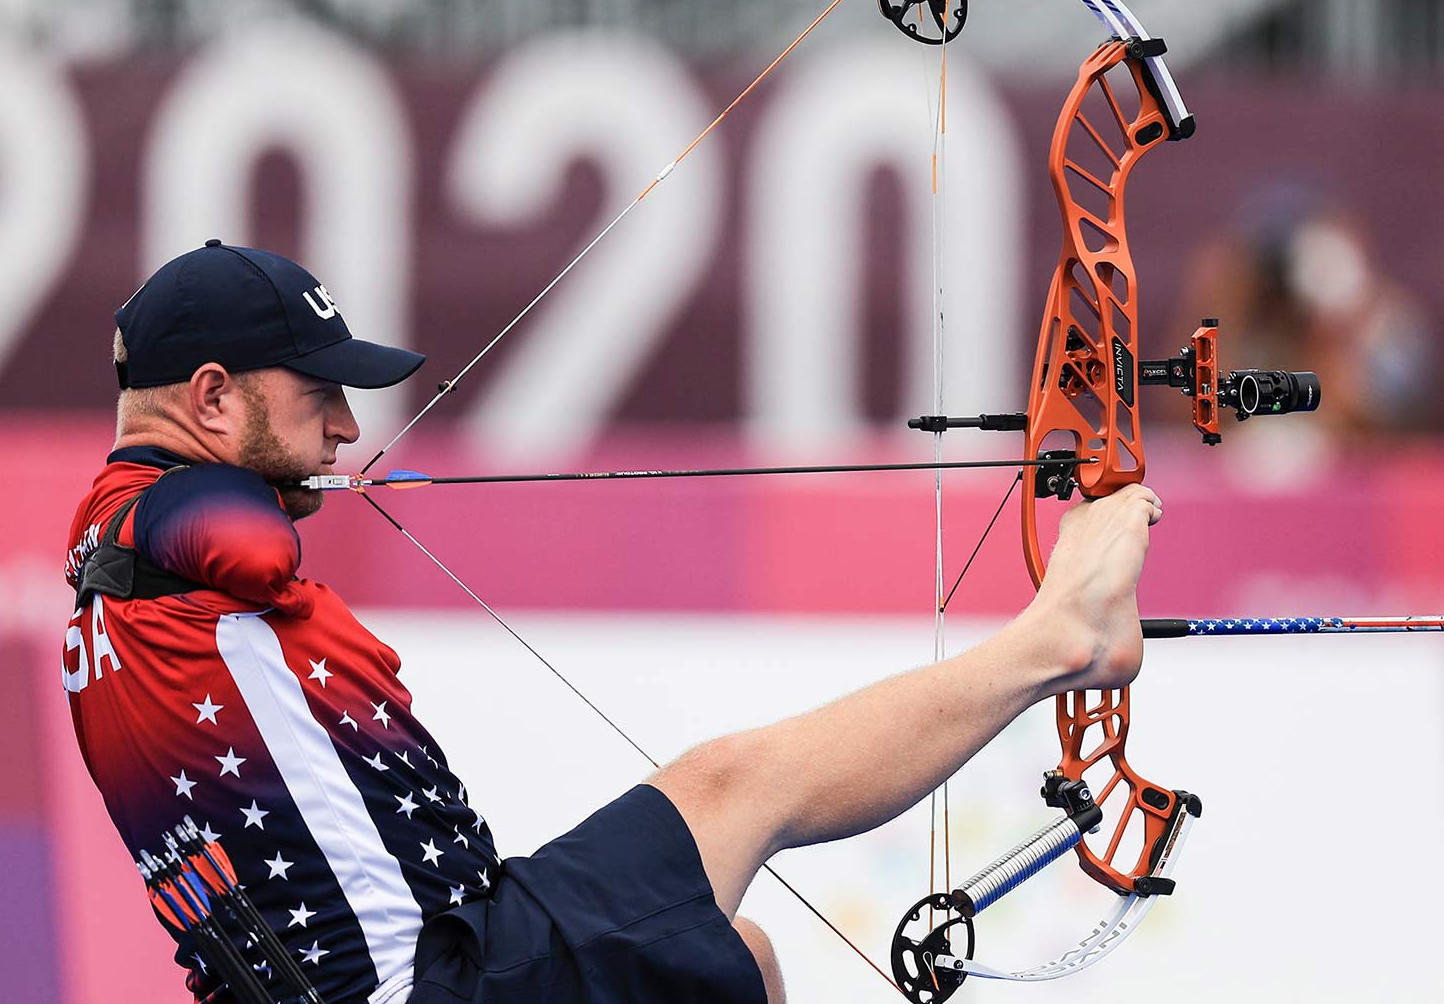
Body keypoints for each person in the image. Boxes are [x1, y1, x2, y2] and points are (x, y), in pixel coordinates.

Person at [62, 241, 1163, 1004]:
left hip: (454, 958)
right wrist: (249, 508)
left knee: (732, 961)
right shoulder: (162, 514)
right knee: (733, 786)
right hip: (433, 985)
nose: (348, 427)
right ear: (209, 400)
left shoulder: (111, 572)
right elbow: (244, 544)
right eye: (315, 396)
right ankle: (1063, 637)